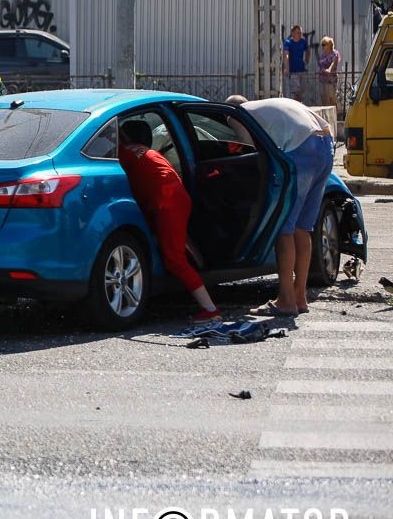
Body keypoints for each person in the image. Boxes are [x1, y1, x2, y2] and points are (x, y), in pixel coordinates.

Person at [226, 95, 333, 317]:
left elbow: (249, 151)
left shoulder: (238, 115)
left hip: (301, 148)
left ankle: (285, 300)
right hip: (325, 145)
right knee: (303, 227)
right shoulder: (269, 106)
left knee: (282, 225)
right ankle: (299, 297)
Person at [118, 120, 222, 323]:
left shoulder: (122, 155)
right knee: (174, 251)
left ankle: (210, 310)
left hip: (167, 203)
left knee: (174, 259)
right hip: (176, 198)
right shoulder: (147, 151)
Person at [283, 25, 311, 104]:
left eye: (300, 33)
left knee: (301, 91)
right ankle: (298, 106)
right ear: (293, 33)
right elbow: (286, 55)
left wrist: (306, 60)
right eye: (297, 33)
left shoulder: (303, 42)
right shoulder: (288, 42)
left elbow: (308, 50)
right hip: (293, 71)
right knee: (296, 91)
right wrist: (287, 69)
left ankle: (298, 105)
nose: (299, 35)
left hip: (302, 69)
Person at [317, 36, 341, 110]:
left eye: (324, 44)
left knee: (332, 98)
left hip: (331, 80)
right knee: (324, 99)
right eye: (322, 45)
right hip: (322, 79)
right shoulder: (323, 55)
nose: (323, 46)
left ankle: (336, 116)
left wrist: (329, 70)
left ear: (329, 45)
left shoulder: (334, 53)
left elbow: (334, 63)